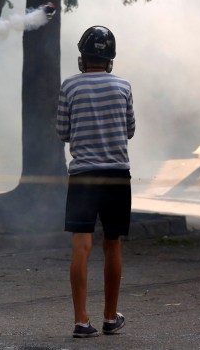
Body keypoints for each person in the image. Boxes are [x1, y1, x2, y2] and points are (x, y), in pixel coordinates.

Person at [56, 26, 135, 338]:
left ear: (83, 57)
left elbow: (63, 132)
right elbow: (129, 129)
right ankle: (110, 316)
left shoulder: (69, 87)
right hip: (117, 175)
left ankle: (80, 320)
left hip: (83, 175)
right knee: (112, 242)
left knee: (81, 242)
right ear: (110, 58)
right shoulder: (124, 87)